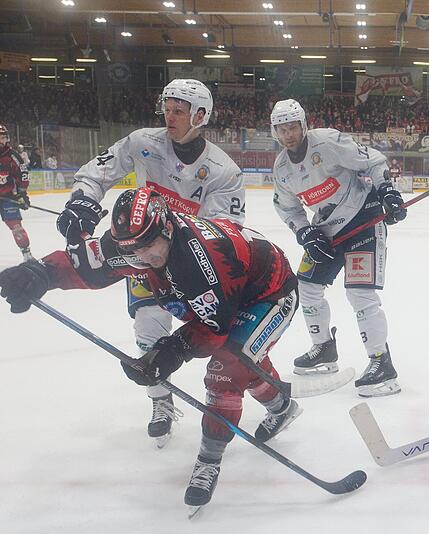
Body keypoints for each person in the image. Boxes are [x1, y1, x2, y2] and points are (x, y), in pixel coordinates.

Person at [0, 187, 300, 510]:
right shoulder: (139, 241)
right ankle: (282, 405)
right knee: (243, 363)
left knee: (226, 369)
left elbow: (214, 329)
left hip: (270, 292)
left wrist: (171, 350)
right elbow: (89, 265)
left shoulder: (197, 262)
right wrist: (41, 274)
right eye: (132, 249)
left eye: (148, 246)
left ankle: (210, 458)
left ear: (167, 227)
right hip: (232, 292)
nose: (142, 257)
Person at [59, 78, 246, 446]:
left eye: (179, 110)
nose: (169, 116)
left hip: (191, 265)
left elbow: (222, 230)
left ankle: (268, 397)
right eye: (168, 108)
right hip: (142, 255)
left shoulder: (223, 171)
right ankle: (161, 400)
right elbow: (99, 171)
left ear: (201, 115)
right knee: (147, 327)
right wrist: (82, 199)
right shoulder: (143, 142)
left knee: (220, 337)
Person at [269, 98, 406, 397]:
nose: (289, 134)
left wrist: (387, 191)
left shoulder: (328, 141)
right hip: (327, 229)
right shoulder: (281, 169)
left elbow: (373, 160)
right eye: (283, 129)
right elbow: (287, 208)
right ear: (275, 132)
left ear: (304, 125)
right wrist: (305, 233)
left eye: (293, 127)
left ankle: (381, 361)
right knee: (305, 286)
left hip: (364, 218)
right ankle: (324, 349)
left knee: (359, 292)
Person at [0, 124, 33, 261]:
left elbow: (23, 175)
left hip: (8, 197)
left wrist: (22, 195)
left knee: (16, 228)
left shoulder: (13, 156)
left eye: (3, 137)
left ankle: (27, 256)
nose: (2, 140)